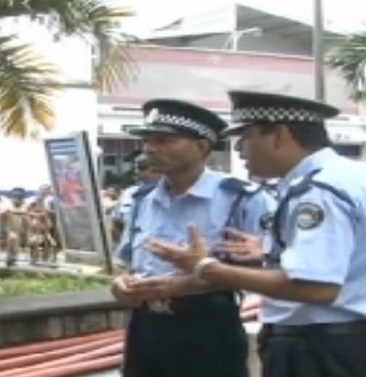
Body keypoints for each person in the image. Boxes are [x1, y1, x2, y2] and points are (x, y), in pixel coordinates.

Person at [146, 90, 366, 377]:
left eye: (245, 137)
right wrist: (268, 250)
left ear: (279, 136)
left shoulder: (316, 192)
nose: (238, 150)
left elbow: (318, 287)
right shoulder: (350, 176)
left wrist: (206, 267)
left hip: (319, 346)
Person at [110, 98, 276, 377]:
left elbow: (272, 266)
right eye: (148, 140)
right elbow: (126, 263)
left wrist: (191, 281)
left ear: (202, 147)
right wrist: (120, 284)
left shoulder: (241, 198)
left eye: (164, 140)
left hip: (207, 327)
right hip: (145, 326)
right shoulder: (140, 200)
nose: (150, 148)